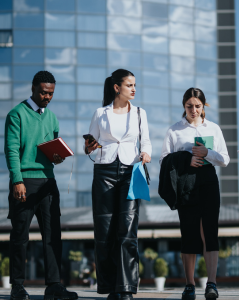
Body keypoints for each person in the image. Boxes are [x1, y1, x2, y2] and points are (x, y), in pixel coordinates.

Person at [4, 71, 78, 300]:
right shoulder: (16, 114)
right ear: (33, 88)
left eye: (51, 93)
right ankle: (17, 286)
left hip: (48, 182)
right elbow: (12, 150)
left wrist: (58, 157)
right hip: (24, 182)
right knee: (20, 237)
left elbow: (52, 149)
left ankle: (54, 286)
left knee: (53, 235)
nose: (47, 97)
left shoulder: (52, 118)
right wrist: (16, 179)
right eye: (44, 92)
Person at [84, 69, 151, 300]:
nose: (133, 89)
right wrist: (89, 146)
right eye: (129, 85)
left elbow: (147, 143)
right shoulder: (100, 113)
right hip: (103, 172)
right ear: (116, 87)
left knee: (127, 230)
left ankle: (126, 288)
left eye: (135, 85)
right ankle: (111, 287)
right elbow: (89, 145)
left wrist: (146, 153)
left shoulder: (141, 113)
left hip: (131, 172)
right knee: (105, 232)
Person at [159, 88, 229, 300]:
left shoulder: (214, 128)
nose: (194, 110)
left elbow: (225, 159)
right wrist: (186, 158)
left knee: (210, 231)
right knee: (189, 231)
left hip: (208, 181)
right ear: (184, 106)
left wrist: (208, 153)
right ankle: (189, 284)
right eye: (189, 106)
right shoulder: (174, 130)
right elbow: (164, 160)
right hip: (185, 181)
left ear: (203, 106)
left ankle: (212, 283)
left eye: (198, 106)